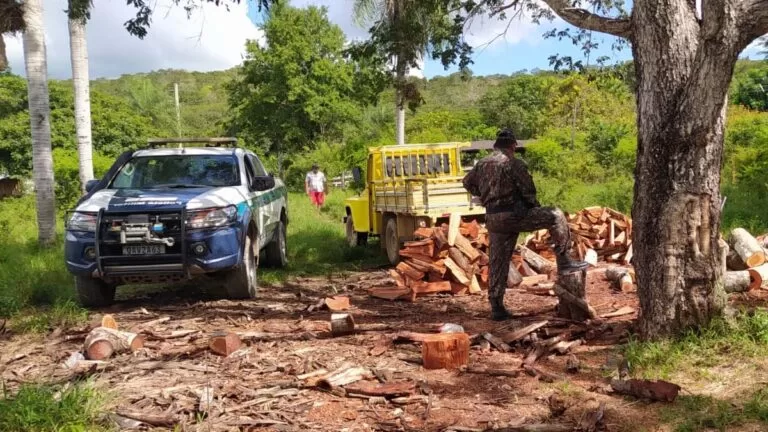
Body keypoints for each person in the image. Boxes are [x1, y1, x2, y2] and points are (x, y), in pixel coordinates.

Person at [462, 128, 588, 321]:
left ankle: (496, 306)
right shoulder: (514, 163)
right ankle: (564, 261)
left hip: (494, 218)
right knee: (556, 215)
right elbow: (529, 191)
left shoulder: (481, 164)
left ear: (496, 146)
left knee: (498, 261)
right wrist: (531, 208)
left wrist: (483, 194)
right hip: (515, 214)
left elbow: (467, 183)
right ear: (512, 146)